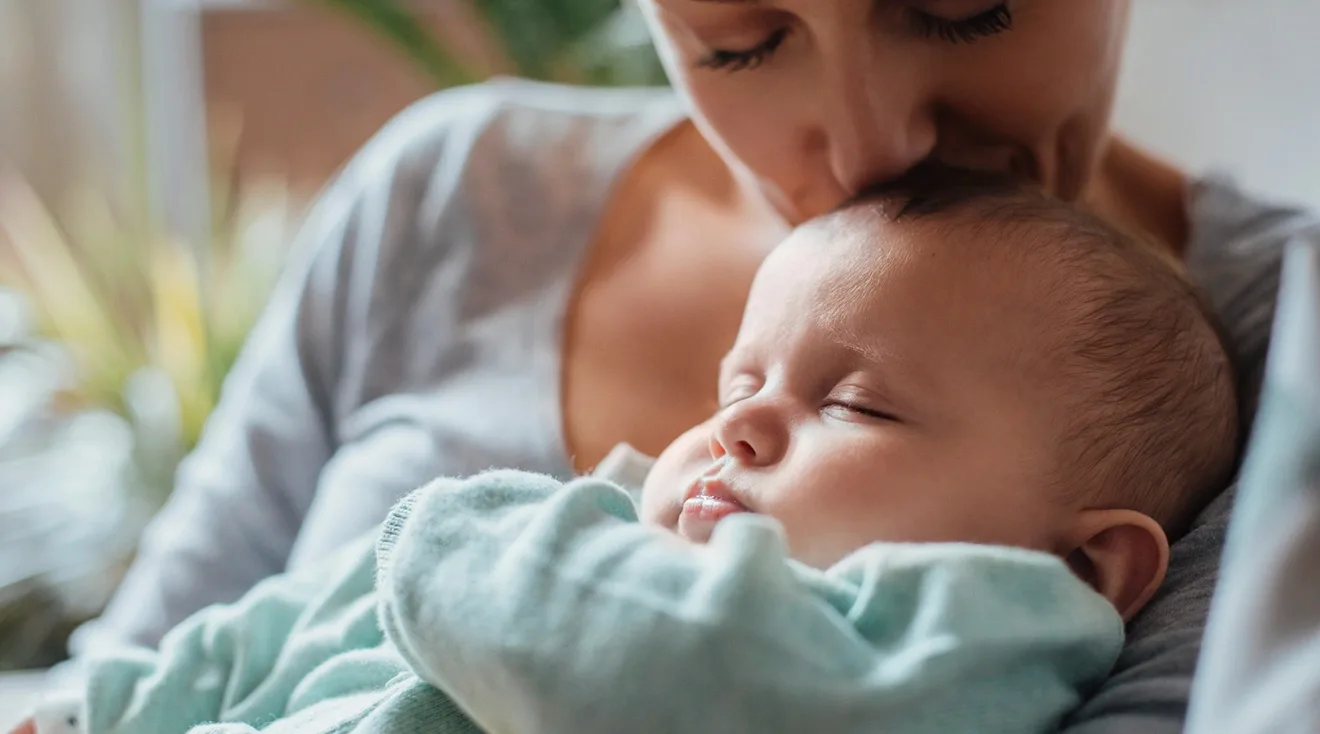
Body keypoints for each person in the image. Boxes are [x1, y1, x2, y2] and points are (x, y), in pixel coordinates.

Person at [65, 2, 1318, 730]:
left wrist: (443, 532)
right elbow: (189, 647)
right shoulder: (445, 195)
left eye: (960, 2)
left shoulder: (1256, 362)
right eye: (740, 37)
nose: (875, 139)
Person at [24, 173, 1240, 734]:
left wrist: (445, 530)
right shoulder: (589, 530)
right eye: (738, 382)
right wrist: (111, 707)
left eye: (858, 405)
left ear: (1091, 567)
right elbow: (294, 618)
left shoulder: (969, 634)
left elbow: (674, 675)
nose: (740, 426)